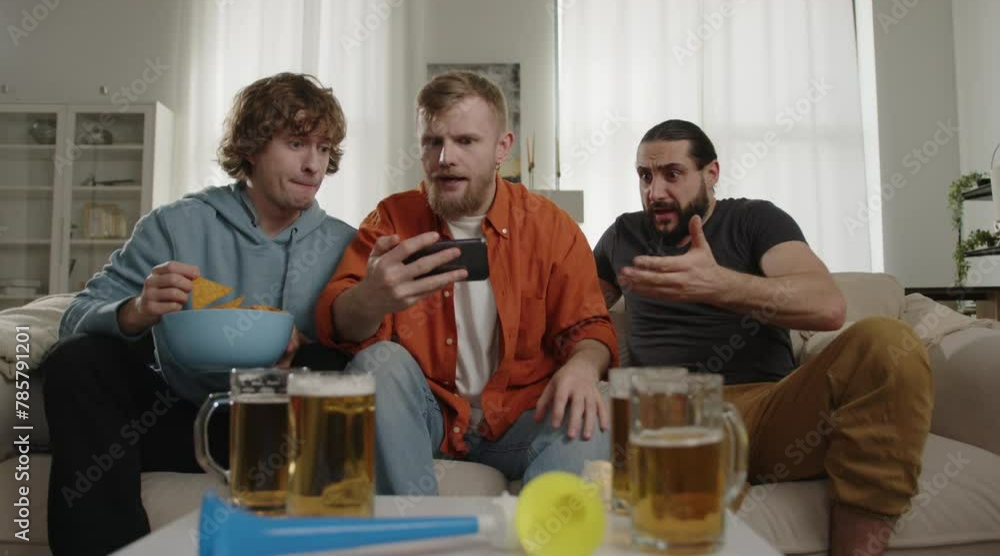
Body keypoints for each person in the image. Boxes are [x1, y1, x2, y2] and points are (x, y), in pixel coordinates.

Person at [41, 72, 356, 556]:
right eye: (296, 144)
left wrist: (306, 348)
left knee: (326, 365)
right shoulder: (175, 224)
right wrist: (137, 310)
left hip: (277, 427)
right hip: (177, 418)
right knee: (77, 359)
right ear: (251, 147)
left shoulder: (344, 243)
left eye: (324, 148)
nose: (314, 164)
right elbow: (74, 318)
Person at [594, 119, 932, 556]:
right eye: (645, 176)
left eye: (672, 174)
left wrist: (719, 285)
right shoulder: (623, 234)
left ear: (711, 173)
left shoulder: (755, 219)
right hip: (672, 414)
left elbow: (827, 305)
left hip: (770, 408)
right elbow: (579, 315)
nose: (655, 191)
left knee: (888, 343)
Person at [315, 71, 618, 495]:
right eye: (432, 142)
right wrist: (370, 298)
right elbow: (338, 323)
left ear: (502, 148)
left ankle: (545, 527)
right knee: (378, 362)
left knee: (597, 401)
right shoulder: (391, 219)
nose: (445, 158)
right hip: (430, 417)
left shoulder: (551, 227)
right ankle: (414, 525)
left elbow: (589, 328)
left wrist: (583, 366)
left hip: (523, 417)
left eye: (466, 141)